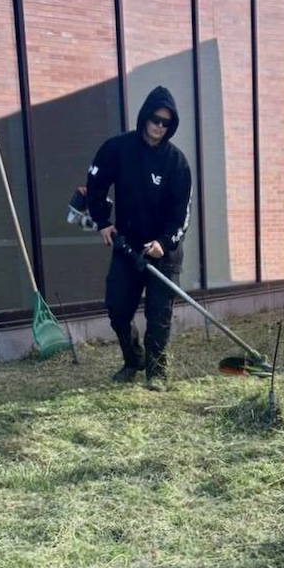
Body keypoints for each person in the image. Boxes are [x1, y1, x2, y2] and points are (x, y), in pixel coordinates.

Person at [84, 86, 192, 390]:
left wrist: (164, 242)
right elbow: (95, 183)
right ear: (145, 117)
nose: (159, 126)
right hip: (127, 247)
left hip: (163, 252)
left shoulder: (177, 162)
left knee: (159, 317)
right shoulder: (118, 149)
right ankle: (134, 360)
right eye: (155, 119)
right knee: (117, 308)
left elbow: (181, 213)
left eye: (166, 123)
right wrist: (102, 221)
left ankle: (156, 372)